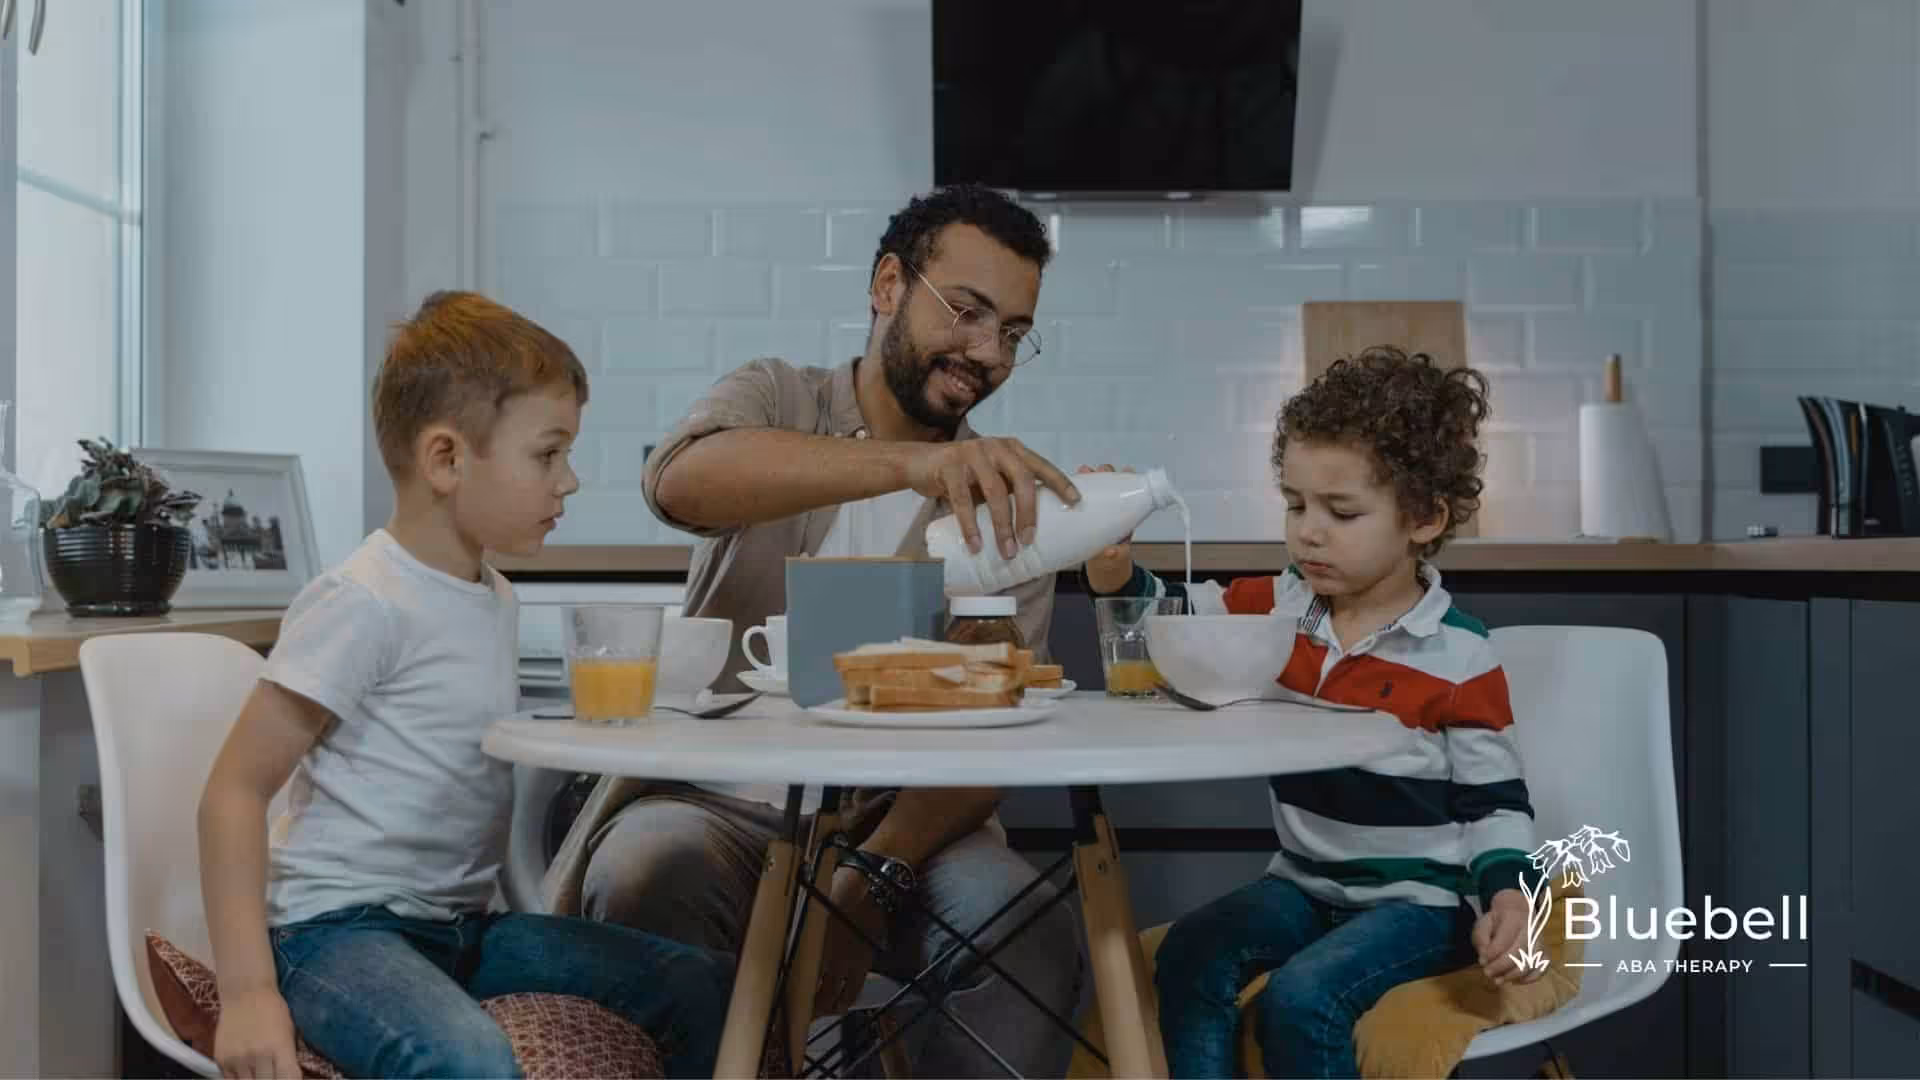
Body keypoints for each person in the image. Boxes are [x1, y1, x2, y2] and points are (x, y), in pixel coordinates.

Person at [542, 184, 1085, 1078]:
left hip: (907, 827)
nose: (989, 352)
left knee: (1020, 926)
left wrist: (872, 877)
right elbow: (680, 483)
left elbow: (993, 741)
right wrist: (912, 466)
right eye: (968, 311)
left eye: (1015, 332)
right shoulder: (780, 396)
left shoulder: (1006, 500)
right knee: (645, 866)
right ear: (886, 285)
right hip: (718, 804)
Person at [197, 292, 731, 1079]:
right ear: (446, 460)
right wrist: (246, 993)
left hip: (461, 929)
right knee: (463, 1059)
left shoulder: (493, 595)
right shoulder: (364, 600)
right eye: (548, 454)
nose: (571, 481)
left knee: (699, 984)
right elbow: (233, 794)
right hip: (336, 933)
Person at [1082, 346, 1543, 1078]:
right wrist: (1111, 568)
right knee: (1191, 954)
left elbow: (1495, 801)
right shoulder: (1277, 608)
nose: (1308, 531)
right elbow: (1171, 615)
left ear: (1423, 518)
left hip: (1422, 902)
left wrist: (1511, 897)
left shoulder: (1459, 655)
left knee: (1304, 997)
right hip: (1304, 882)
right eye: (1296, 504)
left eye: (1342, 511)